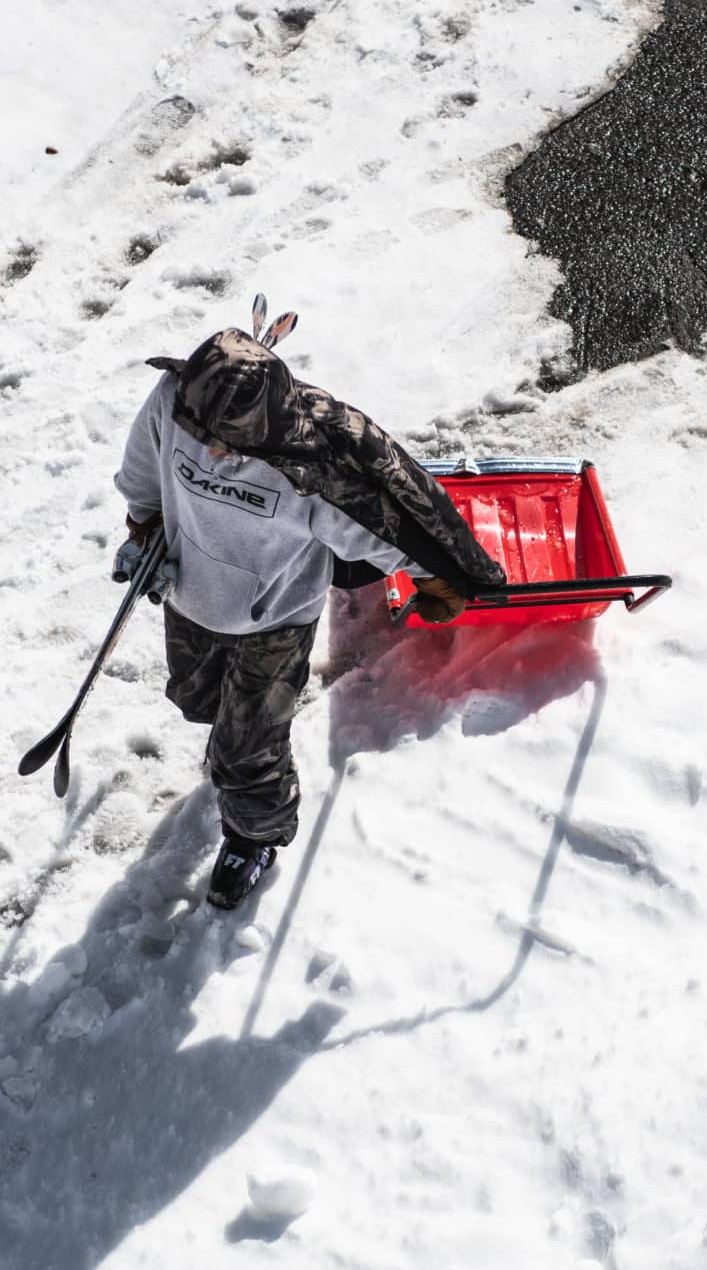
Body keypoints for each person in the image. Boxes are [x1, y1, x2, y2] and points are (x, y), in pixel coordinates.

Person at [114, 305, 507, 909]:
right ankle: (236, 748)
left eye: (230, 445)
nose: (214, 452)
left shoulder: (309, 478)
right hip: (192, 598)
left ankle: (254, 836)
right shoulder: (173, 400)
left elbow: (379, 533)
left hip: (274, 622)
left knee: (247, 751)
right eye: (205, 437)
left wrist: (435, 580)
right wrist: (142, 522)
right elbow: (144, 463)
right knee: (199, 702)